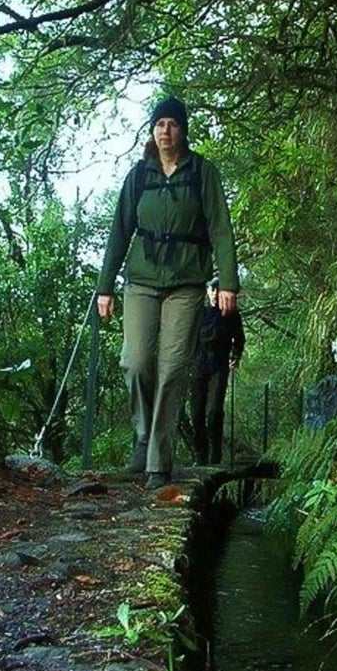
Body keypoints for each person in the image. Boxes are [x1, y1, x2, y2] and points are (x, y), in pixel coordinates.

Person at [96, 96, 239, 489]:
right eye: (159, 123)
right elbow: (119, 230)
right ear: (152, 130)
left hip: (186, 283)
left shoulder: (202, 173)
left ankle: (158, 461)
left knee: (173, 367)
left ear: (183, 130)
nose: (166, 130)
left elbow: (220, 228)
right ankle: (143, 436)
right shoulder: (139, 175)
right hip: (141, 280)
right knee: (136, 361)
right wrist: (105, 287)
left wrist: (228, 282)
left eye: (172, 123)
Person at [191, 278, 245, 465]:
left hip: (219, 366)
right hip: (197, 366)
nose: (214, 293)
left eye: (218, 290)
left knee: (214, 411)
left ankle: (215, 454)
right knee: (196, 413)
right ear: (208, 292)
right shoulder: (198, 313)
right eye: (212, 290)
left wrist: (236, 356)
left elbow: (239, 338)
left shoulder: (231, 314)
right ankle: (200, 454)